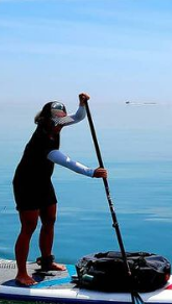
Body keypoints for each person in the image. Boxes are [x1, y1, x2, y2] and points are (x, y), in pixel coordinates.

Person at [12, 93, 108, 287]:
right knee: (28, 227)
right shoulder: (42, 140)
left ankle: (46, 261)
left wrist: (81, 105)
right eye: (57, 122)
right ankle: (21, 273)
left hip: (43, 182)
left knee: (49, 220)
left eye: (62, 121)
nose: (60, 125)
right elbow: (64, 160)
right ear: (46, 120)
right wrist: (91, 172)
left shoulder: (56, 126)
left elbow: (80, 117)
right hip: (26, 184)